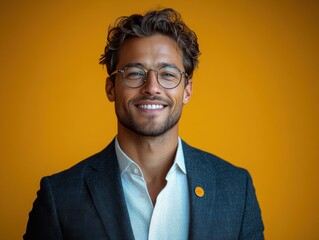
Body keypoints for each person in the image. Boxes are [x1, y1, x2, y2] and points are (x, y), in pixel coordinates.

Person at [24, 8, 264, 240]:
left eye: (168, 74)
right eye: (135, 73)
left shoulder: (235, 189)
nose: (151, 87)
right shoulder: (59, 196)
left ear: (187, 90)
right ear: (111, 88)